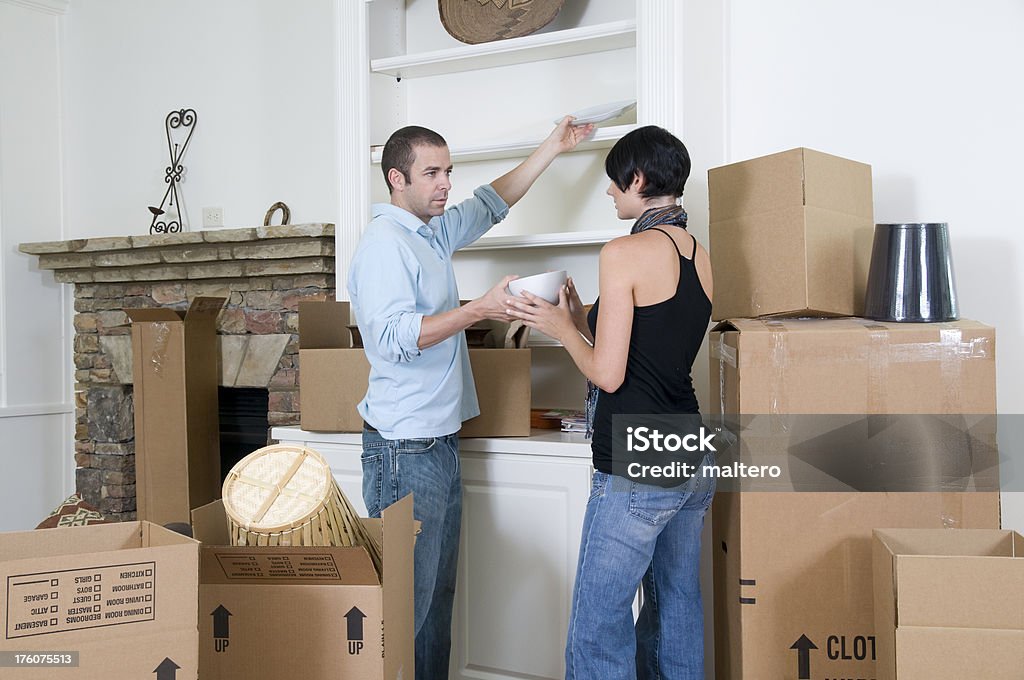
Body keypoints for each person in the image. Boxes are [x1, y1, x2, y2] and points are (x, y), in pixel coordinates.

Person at [347, 117, 594, 680]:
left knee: (435, 603)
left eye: (448, 172)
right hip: (403, 450)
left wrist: (552, 147)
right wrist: (478, 310)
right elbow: (389, 339)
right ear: (396, 179)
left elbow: (489, 203)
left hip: (437, 444)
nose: (445, 184)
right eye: (431, 173)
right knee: (405, 611)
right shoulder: (385, 245)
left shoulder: (428, 231)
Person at [505, 125, 715, 680]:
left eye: (614, 184)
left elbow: (609, 371)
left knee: (598, 626)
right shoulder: (698, 254)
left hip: (636, 462)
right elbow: (652, 347)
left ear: (638, 180)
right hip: (689, 449)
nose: (609, 193)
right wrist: (578, 317)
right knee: (676, 607)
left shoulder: (623, 252)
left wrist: (555, 326)